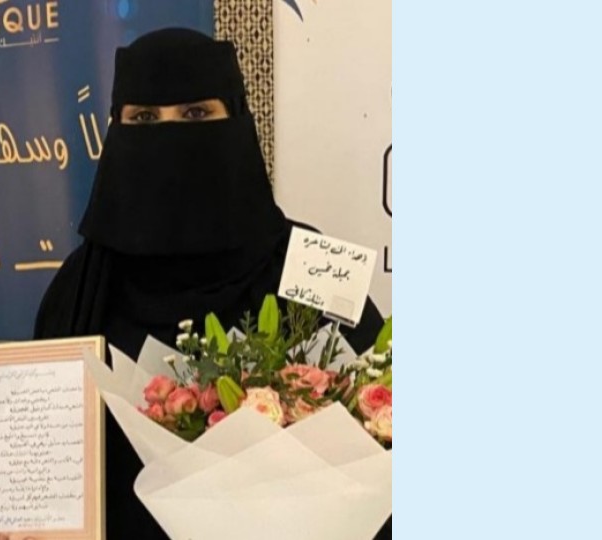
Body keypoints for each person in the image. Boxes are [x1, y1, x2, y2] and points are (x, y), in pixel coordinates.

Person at [34, 28, 392, 540]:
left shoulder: (312, 265)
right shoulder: (77, 293)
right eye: (144, 118)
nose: (169, 136)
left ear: (237, 120)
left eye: (197, 114)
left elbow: (382, 435)